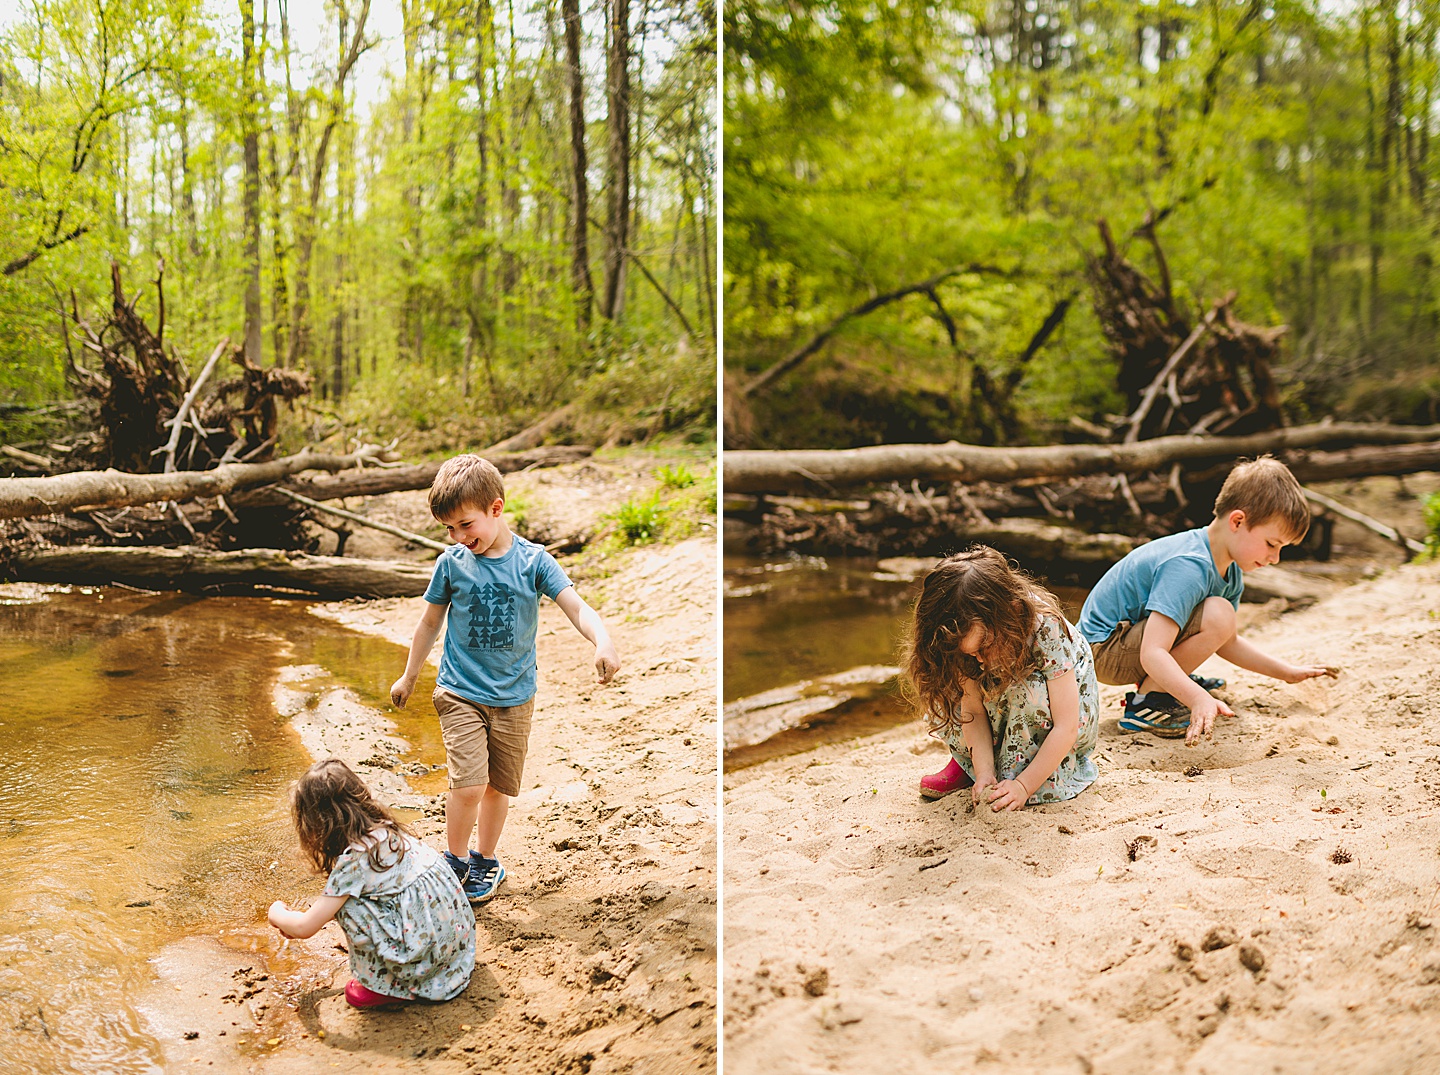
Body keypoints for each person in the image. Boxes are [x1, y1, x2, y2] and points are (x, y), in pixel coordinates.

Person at [389, 453, 620, 903]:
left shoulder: (534, 562)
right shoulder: (452, 563)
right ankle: (453, 861)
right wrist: (409, 676)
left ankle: (484, 861)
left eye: (465, 525)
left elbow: (575, 605)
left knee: (498, 786)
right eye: (449, 529)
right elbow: (429, 623)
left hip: (515, 696)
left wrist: (603, 640)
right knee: (470, 783)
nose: (458, 537)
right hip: (459, 691)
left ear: (495, 509)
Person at [1077, 455, 1338, 744]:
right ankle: (1149, 700)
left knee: (1219, 615)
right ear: (1238, 520)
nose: (1275, 558)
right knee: (1218, 612)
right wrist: (1197, 697)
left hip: (1129, 644)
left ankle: (1166, 684)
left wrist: (1287, 672)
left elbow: (1227, 640)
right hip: (1101, 651)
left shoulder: (1230, 568)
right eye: (1271, 544)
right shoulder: (1189, 565)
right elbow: (1153, 652)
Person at [267, 759, 475, 1009]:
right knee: (352, 900)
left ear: (316, 823)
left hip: (426, 968)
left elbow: (303, 928)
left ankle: (393, 986)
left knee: (350, 905)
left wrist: (276, 912)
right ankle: (419, 966)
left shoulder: (355, 860)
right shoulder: (389, 833)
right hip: (457, 950)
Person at [907, 546, 1100, 809]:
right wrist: (985, 772)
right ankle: (973, 766)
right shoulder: (969, 645)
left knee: (1027, 693)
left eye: (983, 646)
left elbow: (1067, 725)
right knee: (953, 696)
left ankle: (1024, 770)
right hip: (1003, 705)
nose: (980, 659)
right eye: (971, 653)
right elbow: (973, 710)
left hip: (1062, 721)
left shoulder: (1046, 627)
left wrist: (1023, 785)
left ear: (1009, 613)